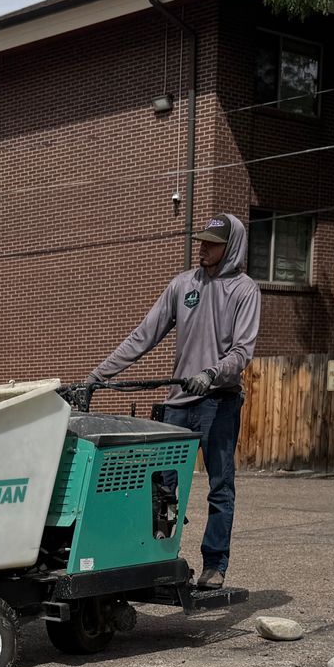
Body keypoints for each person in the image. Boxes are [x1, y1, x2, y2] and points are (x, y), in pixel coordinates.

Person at [85, 213, 260, 591]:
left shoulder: (244, 291)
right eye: (201, 242)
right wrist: (98, 375)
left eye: (211, 244)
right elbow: (143, 336)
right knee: (161, 485)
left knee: (220, 486)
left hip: (219, 402)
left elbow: (243, 351)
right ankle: (159, 557)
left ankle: (215, 564)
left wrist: (212, 374)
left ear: (230, 248)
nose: (203, 249)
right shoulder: (183, 285)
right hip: (179, 402)